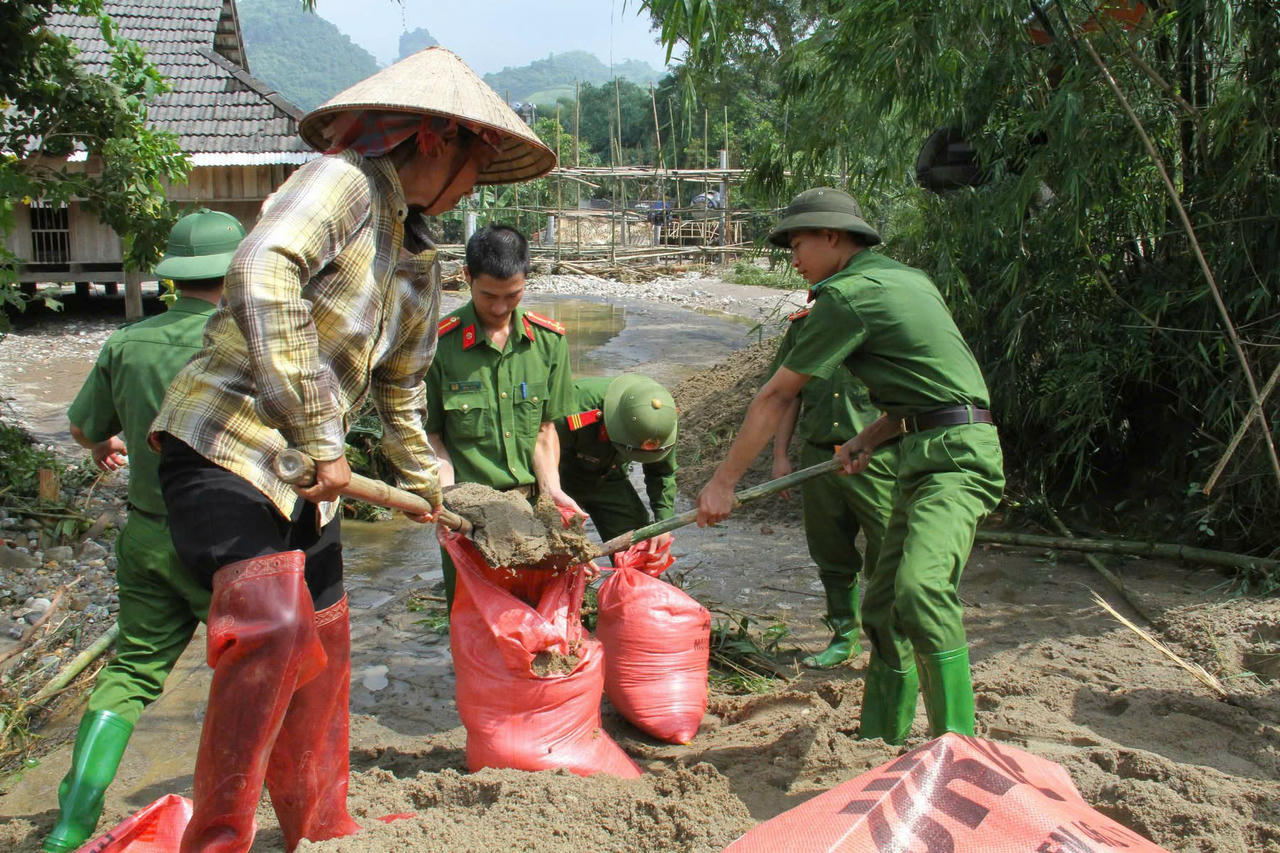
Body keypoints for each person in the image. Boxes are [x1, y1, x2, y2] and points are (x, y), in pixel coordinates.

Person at [149, 48, 556, 852]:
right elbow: (262, 269)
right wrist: (319, 433)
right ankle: (219, 839)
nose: (473, 190)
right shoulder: (343, 182)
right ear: (436, 140)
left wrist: (431, 489)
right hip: (229, 443)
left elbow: (403, 388)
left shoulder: (419, 259)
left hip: (314, 478)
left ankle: (323, 825)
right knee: (273, 626)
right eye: (474, 168)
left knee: (328, 643)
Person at [696, 188, 1004, 744]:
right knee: (882, 608)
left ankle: (957, 750)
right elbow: (929, 390)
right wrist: (870, 435)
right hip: (923, 448)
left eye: (798, 245)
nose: (793, 259)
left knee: (921, 591)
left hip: (955, 459)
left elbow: (777, 396)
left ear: (832, 237)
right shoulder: (906, 279)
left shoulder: (847, 296)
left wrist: (723, 483)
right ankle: (881, 738)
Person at [42, 210, 244, 853]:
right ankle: (236, 808)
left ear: (174, 275)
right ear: (236, 272)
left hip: (152, 533)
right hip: (231, 547)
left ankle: (73, 819)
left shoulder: (127, 343)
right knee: (252, 672)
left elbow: (84, 427)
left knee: (131, 671)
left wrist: (105, 442)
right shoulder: (249, 343)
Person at [425, 224, 580, 608]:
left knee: (535, 618)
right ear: (467, 277)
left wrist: (552, 490)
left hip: (531, 514)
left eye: (512, 295)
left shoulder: (548, 342)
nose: (499, 308)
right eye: (488, 295)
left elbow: (544, 430)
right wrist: (445, 502)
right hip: (467, 520)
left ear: (526, 278)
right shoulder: (439, 347)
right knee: (473, 622)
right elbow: (433, 437)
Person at [770, 307, 899, 669]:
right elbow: (788, 395)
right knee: (830, 548)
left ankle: (892, 637)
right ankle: (844, 636)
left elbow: (905, 396)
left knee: (889, 546)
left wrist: (873, 440)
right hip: (820, 458)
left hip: (876, 457)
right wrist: (780, 455)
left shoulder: (881, 318)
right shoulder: (804, 327)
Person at [557, 374, 678, 565]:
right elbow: (537, 454)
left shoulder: (661, 422)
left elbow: (662, 473)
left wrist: (663, 524)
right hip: (559, 474)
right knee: (550, 552)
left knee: (641, 550)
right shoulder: (573, 407)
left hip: (608, 476)